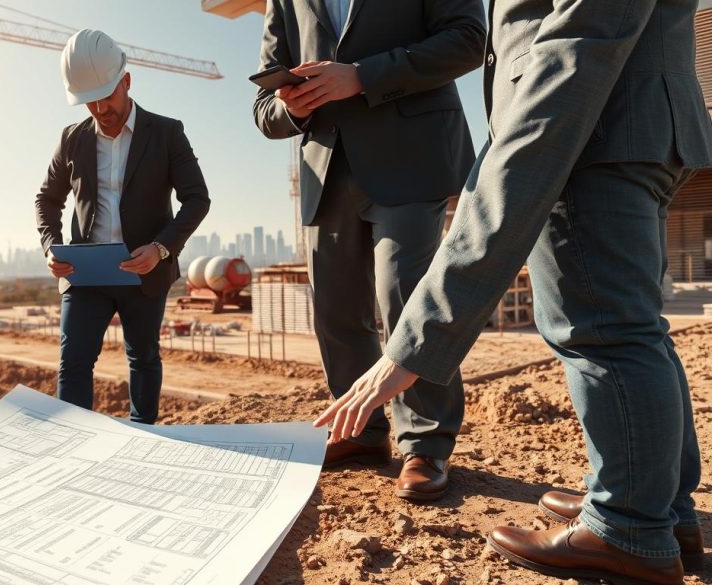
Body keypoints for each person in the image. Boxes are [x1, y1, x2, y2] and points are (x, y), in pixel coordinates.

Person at [315, 0, 712, 582]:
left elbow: (574, 52)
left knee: (600, 331)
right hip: (628, 117)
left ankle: (628, 526)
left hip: (588, 126)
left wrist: (415, 343)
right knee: (632, 325)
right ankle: (658, 505)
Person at [253, 0, 486, 500]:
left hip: (411, 155)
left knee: (403, 292)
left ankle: (425, 443)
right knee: (334, 308)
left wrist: (362, 76)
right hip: (325, 168)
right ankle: (359, 432)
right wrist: (288, 108)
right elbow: (262, 111)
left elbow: (468, 38)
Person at [35, 29, 210, 424]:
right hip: (85, 274)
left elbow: (197, 198)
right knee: (73, 360)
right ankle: (73, 442)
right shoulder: (71, 139)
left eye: (106, 97)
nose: (99, 109)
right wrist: (51, 246)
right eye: (89, 102)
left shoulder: (167, 133)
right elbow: (46, 200)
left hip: (145, 269)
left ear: (126, 82)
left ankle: (142, 436)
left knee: (143, 357)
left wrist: (162, 249)